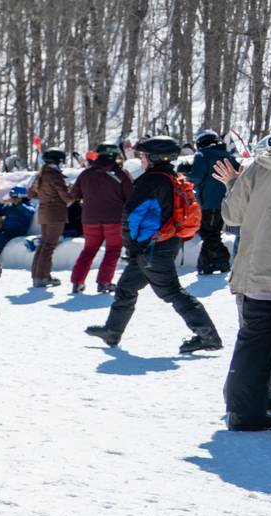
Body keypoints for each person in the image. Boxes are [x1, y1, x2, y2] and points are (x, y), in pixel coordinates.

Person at [85, 135, 223, 355]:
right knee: (126, 287)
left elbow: (132, 215)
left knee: (172, 292)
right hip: (162, 243)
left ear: (155, 157)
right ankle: (112, 330)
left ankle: (208, 336)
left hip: (152, 248)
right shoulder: (170, 176)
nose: (141, 159)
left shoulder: (151, 181)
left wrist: (132, 246)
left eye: (144, 155)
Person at [215, 107, 271, 436]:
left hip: (261, 272)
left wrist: (235, 183)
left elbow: (232, 215)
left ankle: (242, 413)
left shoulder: (258, 167)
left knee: (253, 342)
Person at [69, 143, 134, 294]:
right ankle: (104, 282)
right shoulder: (121, 174)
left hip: (90, 219)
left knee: (89, 250)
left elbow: (73, 195)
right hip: (114, 218)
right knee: (113, 250)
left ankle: (77, 282)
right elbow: (131, 196)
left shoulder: (86, 174)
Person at [188, 129, 240, 274]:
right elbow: (238, 173)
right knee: (212, 232)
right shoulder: (227, 155)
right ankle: (209, 264)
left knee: (208, 233)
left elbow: (196, 178)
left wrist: (187, 172)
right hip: (227, 201)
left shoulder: (202, 155)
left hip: (209, 202)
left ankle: (221, 260)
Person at [29, 149, 75, 288]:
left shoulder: (42, 174)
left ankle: (37, 275)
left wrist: (46, 198)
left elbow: (31, 193)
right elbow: (66, 197)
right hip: (55, 214)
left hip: (44, 212)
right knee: (49, 246)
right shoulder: (55, 175)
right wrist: (76, 193)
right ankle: (42, 277)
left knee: (44, 244)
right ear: (58, 161)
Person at [0, 186, 35, 254]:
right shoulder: (10, 207)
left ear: (21, 197)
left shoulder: (29, 206)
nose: (12, 199)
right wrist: (0, 204)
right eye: (12, 196)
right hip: (4, 230)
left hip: (17, 232)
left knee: (0, 240)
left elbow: (29, 213)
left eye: (14, 197)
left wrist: (18, 204)